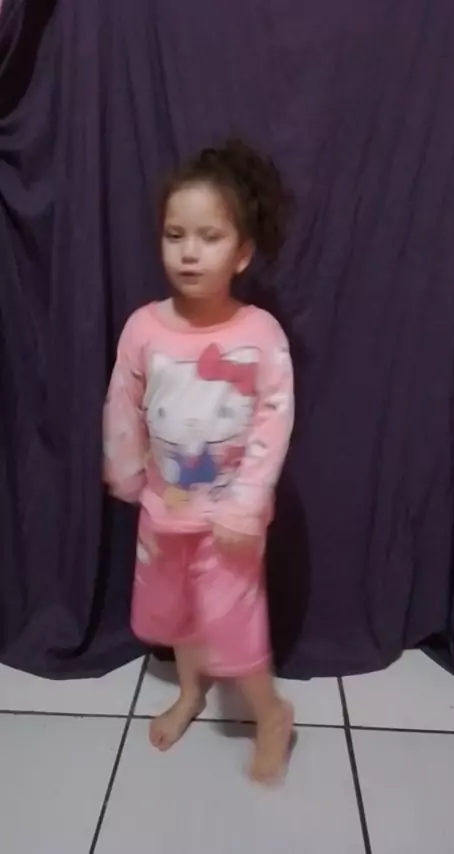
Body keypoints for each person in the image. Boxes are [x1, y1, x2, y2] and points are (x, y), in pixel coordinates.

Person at [103, 139, 295, 784]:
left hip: (230, 523)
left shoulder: (259, 335)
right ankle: (190, 692)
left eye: (209, 237)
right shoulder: (144, 328)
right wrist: (126, 470)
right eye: (175, 235)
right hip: (164, 510)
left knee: (235, 625)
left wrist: (246, 502)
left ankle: (270, 713)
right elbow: (123, 401)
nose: (189, 251)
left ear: (241, 253)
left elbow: (274, 421)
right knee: (179, 616)